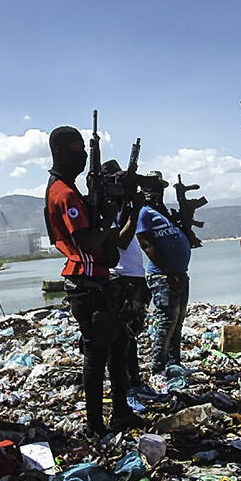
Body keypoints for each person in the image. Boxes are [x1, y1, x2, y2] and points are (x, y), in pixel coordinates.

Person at [44, 126, 145, 437]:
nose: (83, 156)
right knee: (96, 355)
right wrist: (104, 217)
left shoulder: (70, 190)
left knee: (117, 346)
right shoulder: (64, 193)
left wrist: (126, 210)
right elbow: (88, 243)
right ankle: (96, 424)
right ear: (60, 152)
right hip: (86, 283)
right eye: (77, 149)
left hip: (96, 281)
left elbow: (114, 241)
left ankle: (121, 413)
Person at [101, 160, 154, 395]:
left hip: (133, 277)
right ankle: (126, 390)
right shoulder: (105, 208)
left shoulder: (120, 206)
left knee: (130, 337)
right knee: (121, 340)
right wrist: (135, 210)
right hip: (120, 278)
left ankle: (134, 383)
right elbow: (120, 240)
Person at [136, 171, 192, 375]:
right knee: (167, 321)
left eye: (160, 189)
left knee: (178, 322)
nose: (157, 193)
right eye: (153, 188)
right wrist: (168, 272)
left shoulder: (163, 213)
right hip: (163, 276)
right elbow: (146, 243)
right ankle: (158, 366)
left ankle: (173, 363)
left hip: (179, 274)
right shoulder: (143, 212)